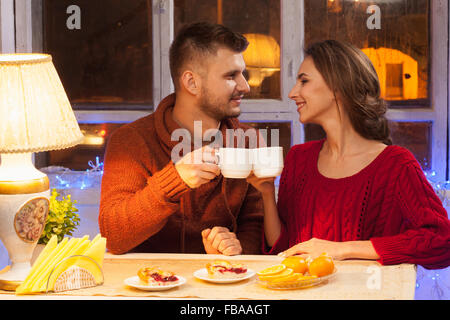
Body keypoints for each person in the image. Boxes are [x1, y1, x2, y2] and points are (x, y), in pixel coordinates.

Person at [247, 40, 450, 269]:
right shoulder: (298, 158)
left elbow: (442, 241)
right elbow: (285, 248)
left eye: (304, 81)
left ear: (338, 87)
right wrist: (265, 193)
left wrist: (342, 249)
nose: (293, 93)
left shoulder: (396, 165)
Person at [99, 22, 263, 255]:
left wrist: (235, 253)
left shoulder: (248, 140)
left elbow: (255, 227)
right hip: (150, 285)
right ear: (191, 83)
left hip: (223, 285)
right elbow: (113, 235)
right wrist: (175, 180)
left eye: (242, 74)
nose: (245, 86)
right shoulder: (130, 141)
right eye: (231, 76)